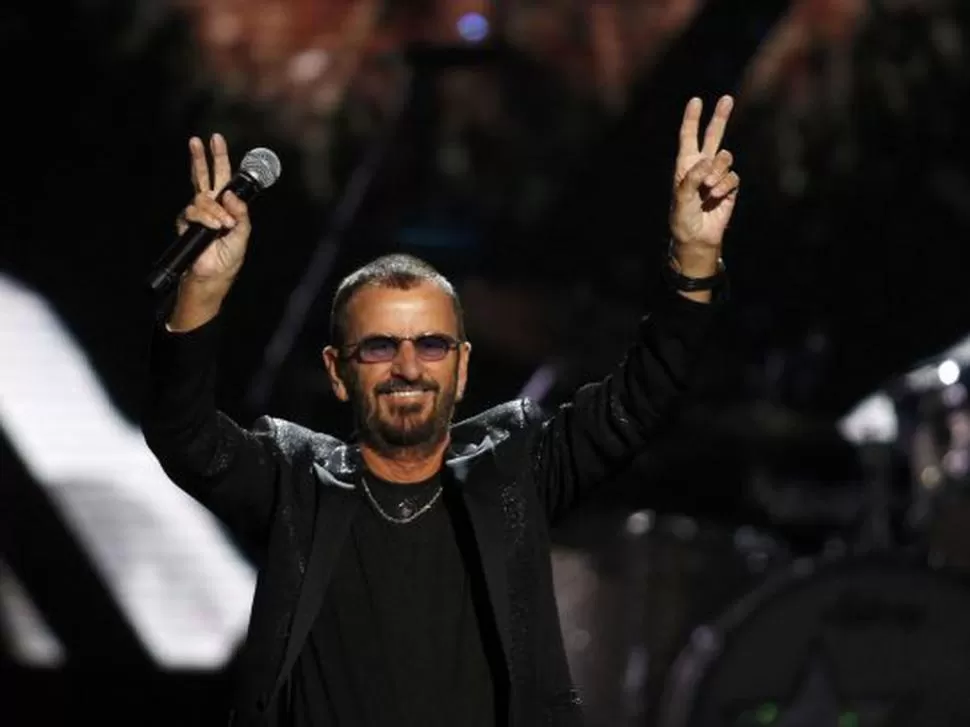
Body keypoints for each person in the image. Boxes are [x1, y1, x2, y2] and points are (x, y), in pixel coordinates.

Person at [142, 94, 741, 727]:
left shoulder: (518, 474)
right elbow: (185, 434)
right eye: (380, 346)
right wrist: (200, 292)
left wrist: (694, 261)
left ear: (461, 368)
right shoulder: (295, 486)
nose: (408, 366)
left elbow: (642, 398)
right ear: (337, 371)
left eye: (431, 345)